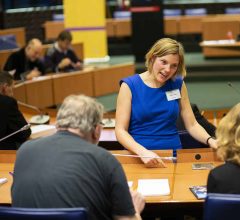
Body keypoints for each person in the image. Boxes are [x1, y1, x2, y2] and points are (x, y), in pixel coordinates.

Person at [12, 95, 145, 220]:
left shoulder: (24, 150)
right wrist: (135, 211)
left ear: (58, 124)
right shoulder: (105, 159)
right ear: (97, 130)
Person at [115, 38, 217, 168]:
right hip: (139, 156)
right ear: (152, 58)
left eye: (174, 65)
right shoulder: (129, 86)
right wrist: (143, 152)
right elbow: (120, 130)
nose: (168, 70)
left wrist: (210, 140)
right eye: (163, 62)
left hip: (172, 155)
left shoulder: (178, 84)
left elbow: (192, 124)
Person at [0, 71, 31, 149]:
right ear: (5, 87)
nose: (12, 94)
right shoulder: (7, 102)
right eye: (12, 88)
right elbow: (24, 133)